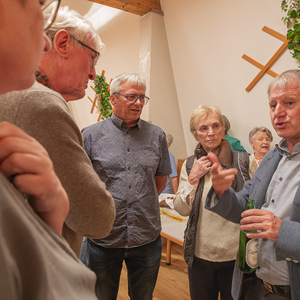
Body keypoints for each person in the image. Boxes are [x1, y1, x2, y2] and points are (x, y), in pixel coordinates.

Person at [0, 0, 98, 299]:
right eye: (37, 5)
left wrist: (52, 218)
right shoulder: (40, 100)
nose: (43, 42)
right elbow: (98, 215)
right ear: (64, 42)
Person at [205, 69, 300, 300]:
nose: (278, 112)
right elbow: (244, 209)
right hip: (257, 286)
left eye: (289, 102)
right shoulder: (271, 158)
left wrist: (283, 231)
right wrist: (221, 191)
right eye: (273, 105)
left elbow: (278, 228)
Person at [80, 72, 172, 300]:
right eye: (132, 97)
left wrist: (137, 198)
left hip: (146, 236)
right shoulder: (90, 136)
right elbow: (83, 184)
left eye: (142, 97)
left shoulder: (156, 135)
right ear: (113, 99)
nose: (138, 103)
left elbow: (159, 182)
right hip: (104, 236)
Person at [173, 105, 250, 300]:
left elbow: (256, 202)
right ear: (195, 134)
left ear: (223, 130)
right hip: (199, 256)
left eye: (216, 126)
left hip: (235, 257)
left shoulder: (244, 162)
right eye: (203, 128)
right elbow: (182, 209)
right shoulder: (190, 164)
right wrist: (192, 180)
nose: (211, 133)